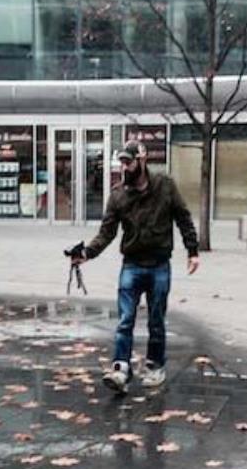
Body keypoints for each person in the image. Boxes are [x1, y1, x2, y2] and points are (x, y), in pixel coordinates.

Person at [70, 140, 200, 394]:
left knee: (156, 320)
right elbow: (106, 233)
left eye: (128, 162)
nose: (124, 167)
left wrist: (192, 251)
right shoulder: (118, 195)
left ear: (142, 160)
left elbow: (183, 218)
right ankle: (120, 369)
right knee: (125, 320)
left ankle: (155, 366)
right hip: (131, 265)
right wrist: (86, 253)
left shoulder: (164, 186)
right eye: (121, 163)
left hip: (159, 265)